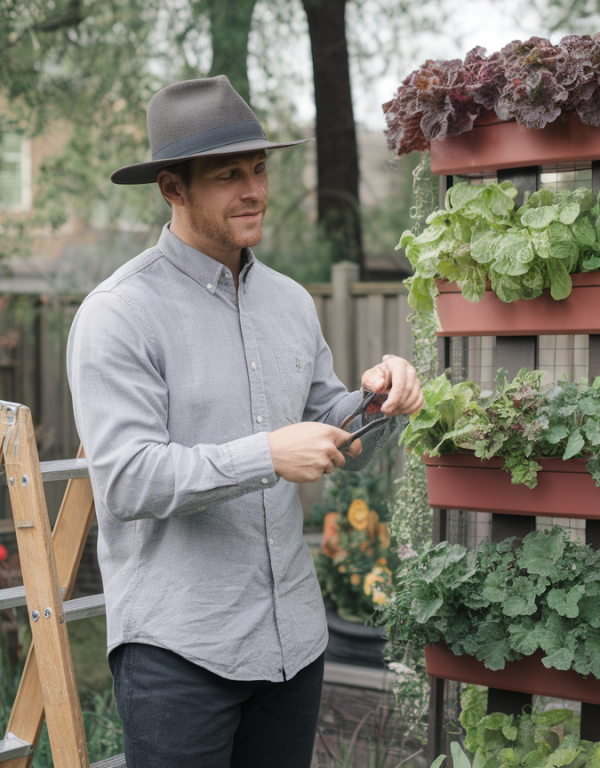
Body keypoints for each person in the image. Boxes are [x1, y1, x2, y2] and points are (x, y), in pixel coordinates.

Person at [66, 75, 423, 768]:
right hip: (179, 654)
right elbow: (127, 480)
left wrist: (379, 402)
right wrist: (266, 454)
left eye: (258, 169)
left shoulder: (289, 302)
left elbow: (332, 433)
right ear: (172, 187)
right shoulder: (117, 315)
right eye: (230, 175)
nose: (254, 189)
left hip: (294, 644)